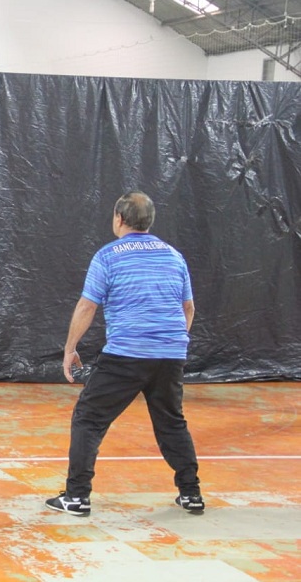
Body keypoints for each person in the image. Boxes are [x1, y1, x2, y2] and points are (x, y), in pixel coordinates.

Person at [46, 191, 204, 517]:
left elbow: (88, 305)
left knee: (88, 419)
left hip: (126, 356)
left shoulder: (108, 256)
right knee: (172, 423)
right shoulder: (174, 256)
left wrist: (70, 349)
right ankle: (191, 494)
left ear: (119, 219)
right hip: (170, 355)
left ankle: (76, 497)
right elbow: (188, 308)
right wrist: (171, 343)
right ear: (149, 221)